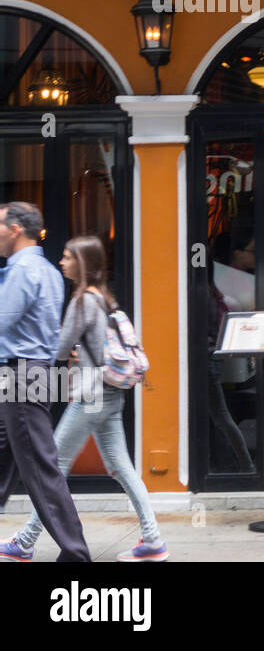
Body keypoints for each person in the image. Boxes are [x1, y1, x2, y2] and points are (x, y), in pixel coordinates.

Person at [2, 235, 167, 562]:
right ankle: (153, 539)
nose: (61, 262)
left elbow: (59, 350)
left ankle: (25, 541)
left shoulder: (82, 302)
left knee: (52, 466)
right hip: (110, 394)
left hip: (90, 396)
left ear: (82, 263)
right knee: (121, 467)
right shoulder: (104, 297)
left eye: (66, 257)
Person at [0, 202, 90, 562]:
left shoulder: (22, 271)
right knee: (6, 456)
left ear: (15, 229)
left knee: (40, 466)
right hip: (31, 371)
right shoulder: (47, 270)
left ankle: (75, 552)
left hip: (20, 374)